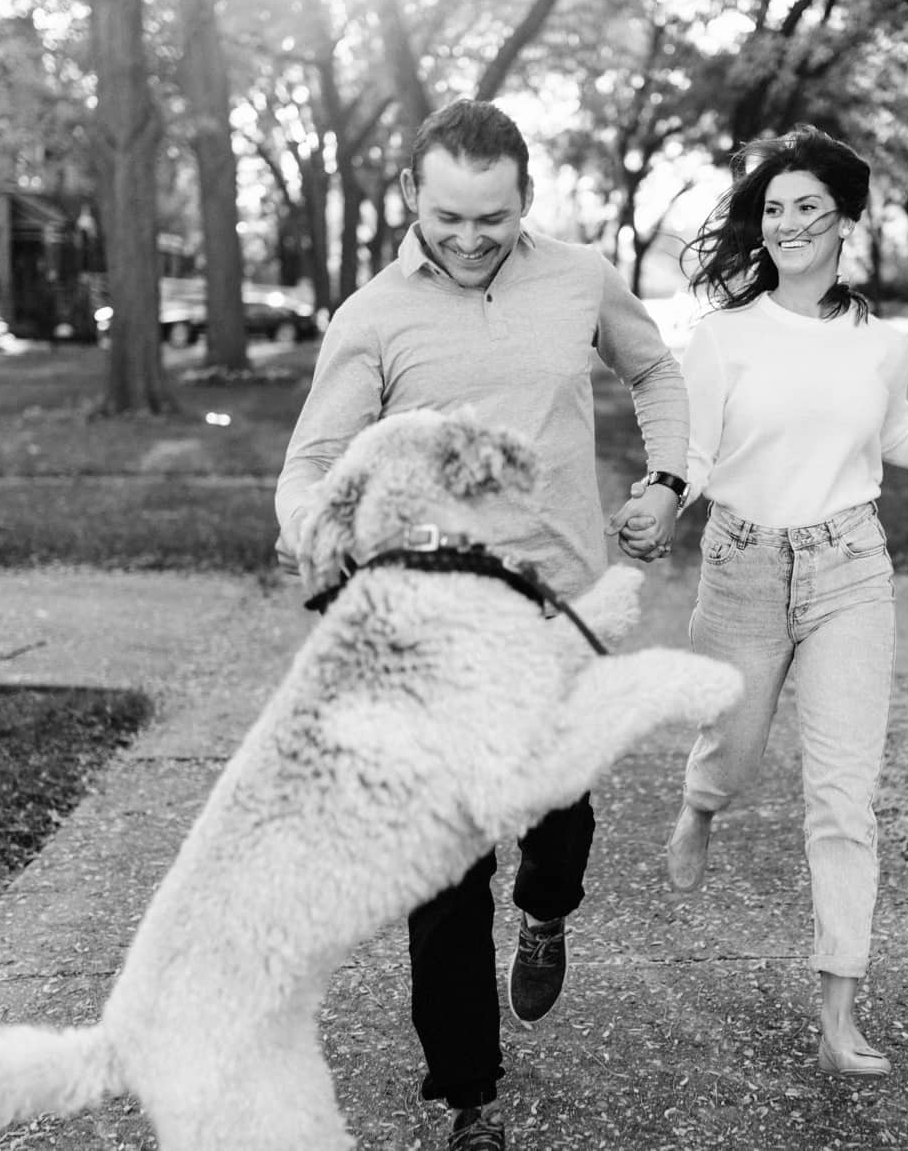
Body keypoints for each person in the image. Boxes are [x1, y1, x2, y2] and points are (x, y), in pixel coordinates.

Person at [273, 98, 686, 1151]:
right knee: (446, 874)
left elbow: (656, 370)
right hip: (428, 625)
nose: (467, 237)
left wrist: (668, 477)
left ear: (525, 202)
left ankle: (547, 911)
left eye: (490, 218)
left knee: (560, 821)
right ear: (415, 199)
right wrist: (308, 529)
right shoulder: (370, 315)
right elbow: (314, 462)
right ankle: (469, 1097)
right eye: (447, 216)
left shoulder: (581, 278)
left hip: (558, 610)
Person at [657, 125, 908, 1078]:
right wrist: (659, 498)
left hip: (851, 570)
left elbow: (896, 429)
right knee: (735, 755)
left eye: (808, 210)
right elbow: (696, 454)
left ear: (843, 223)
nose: (788, 225)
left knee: (843, 796)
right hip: (744, 565)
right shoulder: (725, 336)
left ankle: (839, 1008)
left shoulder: (880, 340)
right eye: (775, 209)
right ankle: (701, 804)